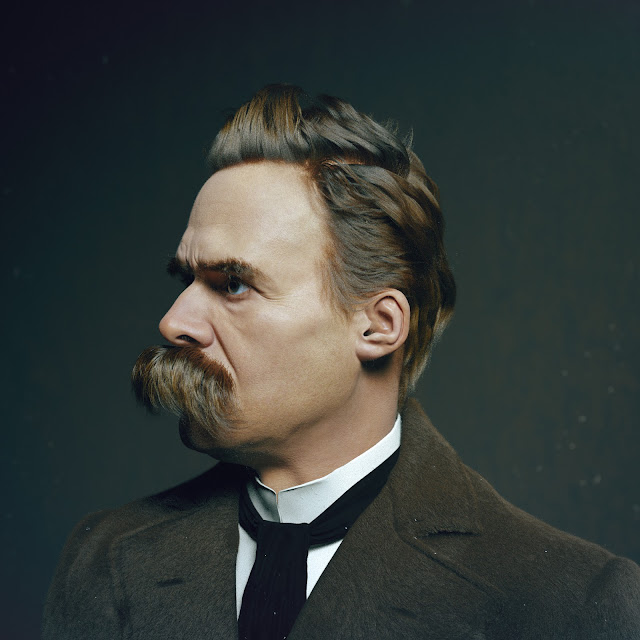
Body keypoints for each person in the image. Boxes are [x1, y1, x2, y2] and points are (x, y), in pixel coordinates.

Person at [43, 84, 640, 640]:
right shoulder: (103, 559)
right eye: (187, 280)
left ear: (378, 326)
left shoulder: (572, 601)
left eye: (233, 284)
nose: (174, 321)